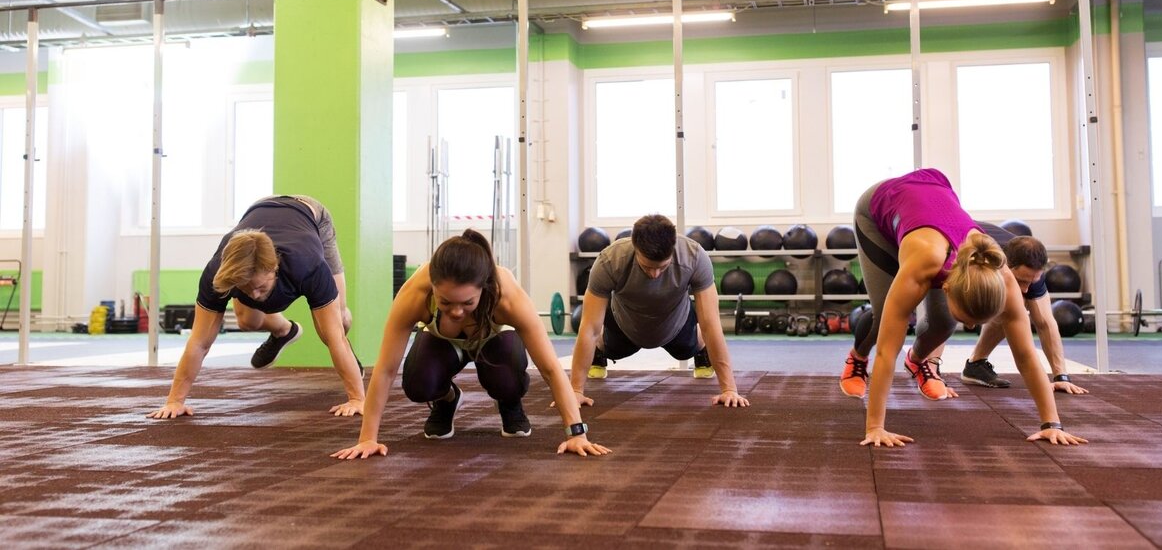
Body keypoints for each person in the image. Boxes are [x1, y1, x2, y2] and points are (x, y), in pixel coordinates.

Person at [838, 169, 1086, 447]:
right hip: (879, 207)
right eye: (967, 320)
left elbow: (1027, 355)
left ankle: (918, 361)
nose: (969, 328)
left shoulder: (1002, 275)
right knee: (886, 317)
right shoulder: (923, 263)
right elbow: (886, 352)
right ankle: (857, 359)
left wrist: (1052, 423)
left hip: (933, 197)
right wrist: (875, 428)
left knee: (944, 324)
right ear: (945, 287)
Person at [332, 229, 610, 459]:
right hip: (443, 345)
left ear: (484, 288)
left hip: (494, 344)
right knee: (418, 382)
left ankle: (509, 402)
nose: (456, 311)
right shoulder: (414, 293)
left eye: (467, 303)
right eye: (445, 302)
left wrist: (577, 434)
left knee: (507, 377)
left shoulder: (507, 295)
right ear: (433, 286)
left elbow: (550, 369)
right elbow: (385, 370)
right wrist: (367, 438)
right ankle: (447, 400)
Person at [148, 195, 364, 419]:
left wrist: (357, 399)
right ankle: (284, 331)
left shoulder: (307, 265)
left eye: (261, 287)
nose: (255, 295)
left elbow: (334, 336)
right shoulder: (217, 273)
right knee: (247, 321)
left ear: (275, 268)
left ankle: (351, 366)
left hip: (311, 216)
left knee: (335, 324)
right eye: (245, 288)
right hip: (259, 209)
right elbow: (199, 342)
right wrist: (174, 401)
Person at [570, 214, 749, 409]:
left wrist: (729, 389)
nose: (655, 274)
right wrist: (575, 391)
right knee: (607, 345)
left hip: (675, 321)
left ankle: (701, 351)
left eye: (662, 267)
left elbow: (710, 324)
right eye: (647, 266)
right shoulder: (610, 261)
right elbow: (589, 327)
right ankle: (599, 352)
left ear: (672, 249)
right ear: (635, 247)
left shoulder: (694, 256)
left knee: (690, 347)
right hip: (626, 323)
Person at [961, 233, 1089, 395]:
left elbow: (1045, 324)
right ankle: (926, 364)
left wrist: (1061, 376)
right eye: (1021, 281)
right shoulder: (979, 258)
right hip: (954, 249)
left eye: (1032, 281)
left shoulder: (1031, 272)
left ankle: (975, 365)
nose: (1025, 289)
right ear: (1005, 266)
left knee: (1015, 303)